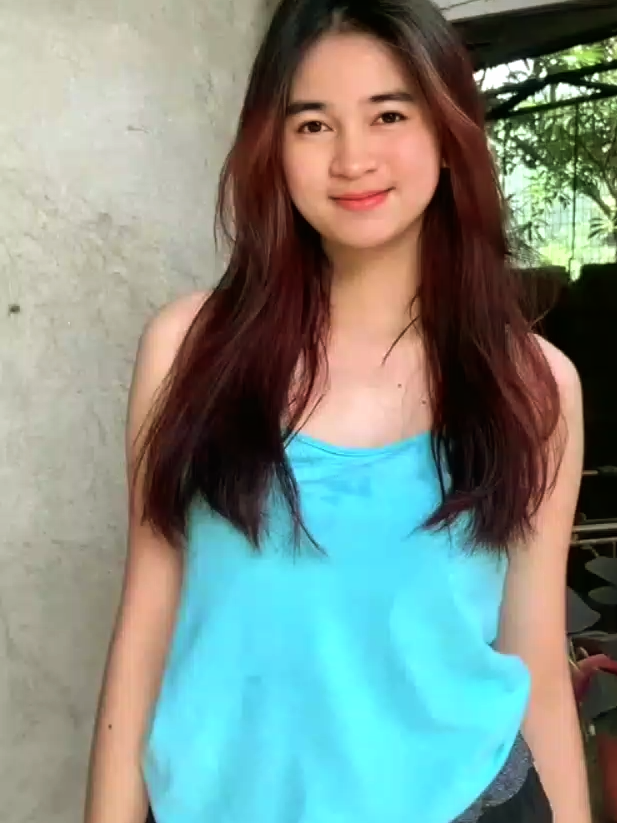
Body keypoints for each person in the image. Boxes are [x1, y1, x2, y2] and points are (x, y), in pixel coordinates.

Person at [84, 1, 590, 822]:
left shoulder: (531, 385)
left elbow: (532, 653)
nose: (353, 158)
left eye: (388, 115)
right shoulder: (188, 353)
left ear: (446, 134)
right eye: (314, 124)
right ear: (272, 147)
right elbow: (144, 626)